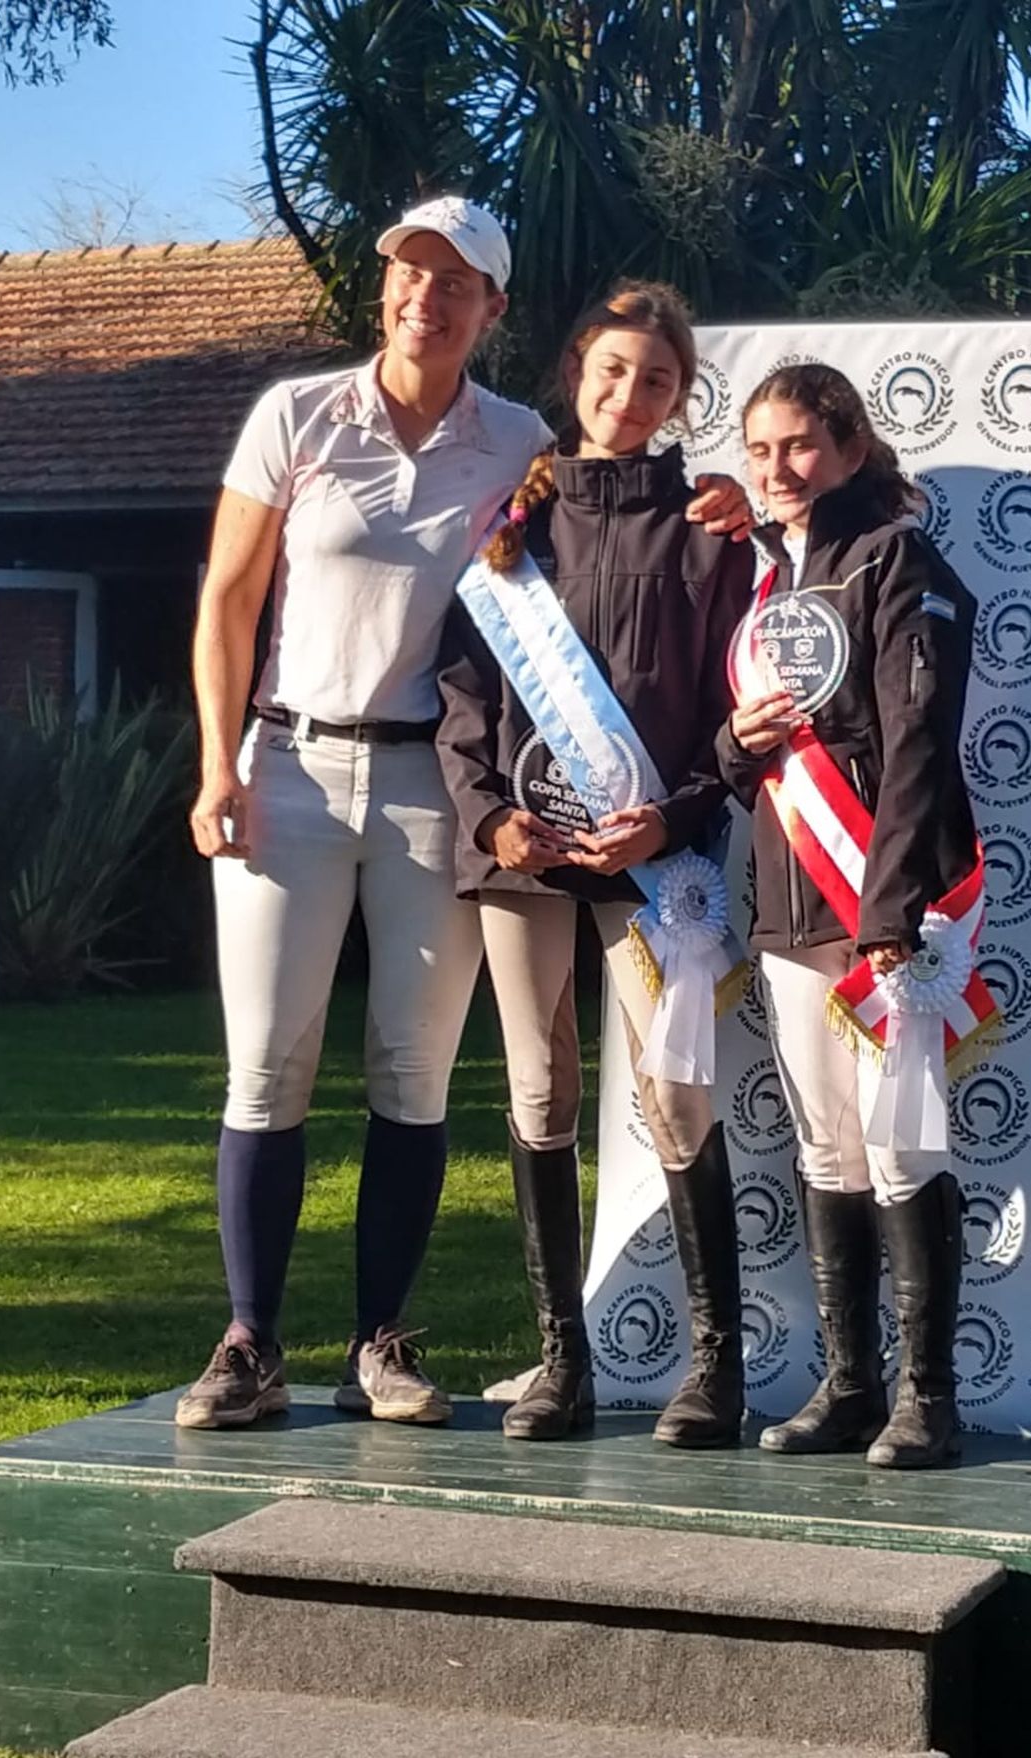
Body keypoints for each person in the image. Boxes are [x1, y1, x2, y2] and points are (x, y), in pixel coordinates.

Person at [176, 199, 745, 1432]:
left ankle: (381, 1340)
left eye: (454, 282)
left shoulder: (523, 446)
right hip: (286, 765)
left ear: (492, 307)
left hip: (437, 790)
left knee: (411, 1070)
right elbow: (228, 597)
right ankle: (249, 1341)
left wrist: (732, 506)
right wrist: (217, 764)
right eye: (407, 273)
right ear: (383, 287)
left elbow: (598, 571)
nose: (423, 296)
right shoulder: (295, 415)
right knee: (267, 1065)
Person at [437, 282, 754, 1449]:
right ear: (576, 371)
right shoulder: (509, 531)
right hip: (526, 859)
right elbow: (464, 696)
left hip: (651, 864)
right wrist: (489, 822)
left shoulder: (713, 531)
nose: (630, 396)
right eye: (612, 371)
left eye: (657, 380)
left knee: (676, 1099)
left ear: (682, 399)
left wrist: (673, 818)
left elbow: (742, 707)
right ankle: (560, 1366)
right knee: (541, 1092)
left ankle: (713, 1368)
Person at [719, 363, 981, 1470]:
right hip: (788, 903)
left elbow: (917, 745)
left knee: (899, 1139)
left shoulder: (899, 560)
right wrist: (738, 742)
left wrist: (890, 908)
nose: (778, 470)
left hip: (888, 905)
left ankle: (930, 1396)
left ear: (852, 446)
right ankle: (848, 1385)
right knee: (827, 1141)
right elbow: (742, 752)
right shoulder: (769, 582)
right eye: (761, 449)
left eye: (800, 447)